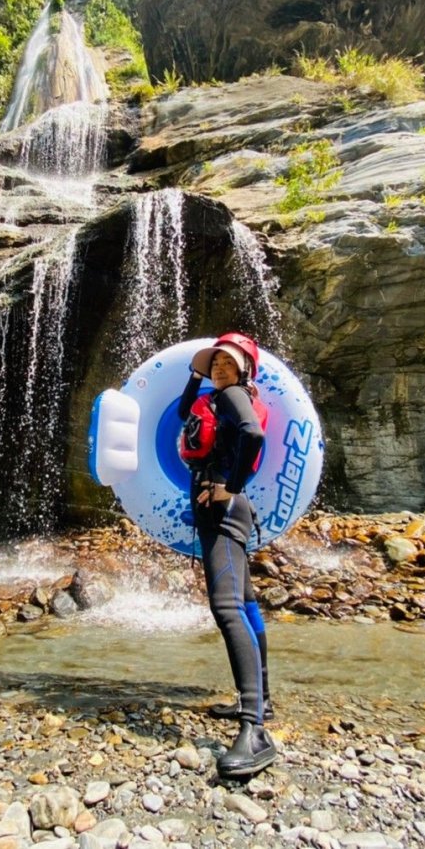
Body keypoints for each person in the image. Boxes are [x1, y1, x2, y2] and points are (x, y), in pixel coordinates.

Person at [177, 332, 276, 777]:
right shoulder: (215, 398)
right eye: (214, 363)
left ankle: (253, 731)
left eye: (227, 363)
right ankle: (262, 699)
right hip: (217, 505)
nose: (219, 369)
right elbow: (183, 414)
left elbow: (253, 435)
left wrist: (229, 488)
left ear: (244, 370)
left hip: (223, 506)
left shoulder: (235, 395)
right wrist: (195, 375)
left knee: (226, 607)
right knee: (248, 603)